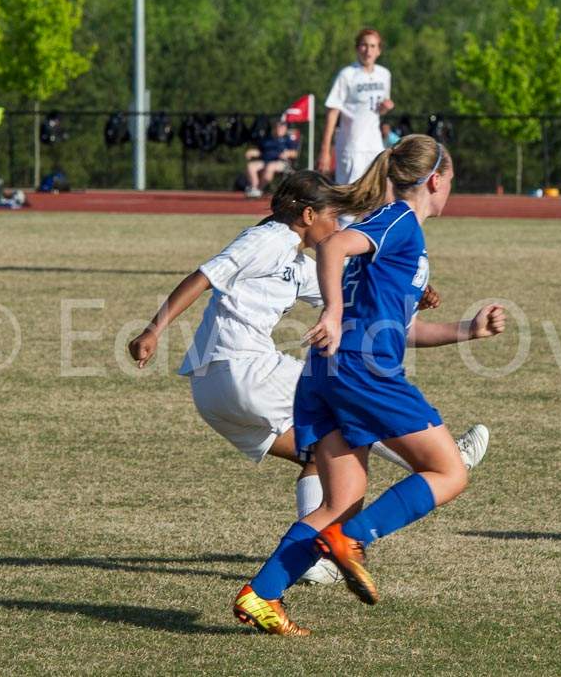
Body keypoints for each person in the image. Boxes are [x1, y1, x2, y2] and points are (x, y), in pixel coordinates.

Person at [127, 169, 490, 586]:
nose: (337, 227)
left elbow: (358, 307)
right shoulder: (268, 238)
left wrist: (409, 292)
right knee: (347, 407)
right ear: (306, 214)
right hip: (243, 369)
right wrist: (154, 330)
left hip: (214, 395)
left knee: (320, 453)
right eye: (333, 217)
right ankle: (445, 458)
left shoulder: (301, 265)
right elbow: (203, 277)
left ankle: (314, 560)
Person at [233, 134, 506, 636]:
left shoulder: (396, 234)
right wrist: (333, 313)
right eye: (452, 182)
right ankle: (353, 540)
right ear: (436, 180)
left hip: (329, 371)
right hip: (363, 371)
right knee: (449, 470)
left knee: (342, 497)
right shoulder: (399, 219)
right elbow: (333, 244)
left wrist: (468, 330)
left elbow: (392, 329)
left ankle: (261, 593)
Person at [317, 28, 394, 185]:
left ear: (379, 50)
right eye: (364, 45)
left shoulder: (384, 74)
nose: (368, 50)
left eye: (373, 46)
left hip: (374, 143)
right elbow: (332, 112)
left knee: (377, 191)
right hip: (352, 145)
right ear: (357, 48)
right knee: (350, 195)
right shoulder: (347, 75)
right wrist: (325, 150)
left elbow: (378, 108)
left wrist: (385, 107)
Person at [245, 120, 299, 198]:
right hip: (265, 160)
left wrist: (288, 153)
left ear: (285, 129)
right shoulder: (267, 139)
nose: (279, 129)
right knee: (251, 166)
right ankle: (254, 187)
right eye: (278, 127)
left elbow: (295, 153)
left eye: (282, 127)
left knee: (270, 166)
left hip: (281, 163)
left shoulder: (288, 139)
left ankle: (259, 189)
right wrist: (252, 152)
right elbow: (260, 151)